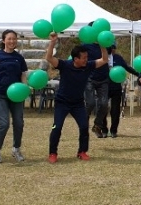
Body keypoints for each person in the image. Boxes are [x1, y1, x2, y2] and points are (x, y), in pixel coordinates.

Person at [45, 33, 108, 163]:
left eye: (87, 57)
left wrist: (103, 46)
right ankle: (52, 153)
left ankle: (82, 151)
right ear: (75, 59)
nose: (86, 60)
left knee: (84, 126)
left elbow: (104, 60)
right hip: (62, 102)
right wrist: (52, 42)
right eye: (83, 58)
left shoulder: (88, 66)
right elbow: (49, 57)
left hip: (78, 103)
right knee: (56, 127)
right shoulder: (65, 65)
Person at [0, 29, 28, 164]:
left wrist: (24, 87)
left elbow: (23, 75)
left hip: (16, 96)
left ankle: (16, 149)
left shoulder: (19, 58)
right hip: (0, 95)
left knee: (19, 123)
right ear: (4, 40)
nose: (12, 41)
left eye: (14, 39)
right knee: (4, 123)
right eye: (9, 39)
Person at [82, 24, 112, 139]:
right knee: (90, 103)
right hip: (89, 78)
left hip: (103, 78)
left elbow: (107, 56)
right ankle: (83, 124)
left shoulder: (105, 44)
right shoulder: (86, 45)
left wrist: (102, 44)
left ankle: (97, 125)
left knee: (104, 104)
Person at [103, 48, 140, 138]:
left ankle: (113, 131)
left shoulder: (118, 58)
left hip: (116, 87)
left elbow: (127, 68)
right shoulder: (100, 58)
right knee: (102, 109)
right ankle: (103, 130)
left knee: (115, 110)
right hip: (103, 87)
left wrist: (139, 74)